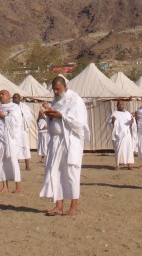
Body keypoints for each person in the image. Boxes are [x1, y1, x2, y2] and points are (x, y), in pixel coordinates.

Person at [41, 76, 89, 216]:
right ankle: (58, 205)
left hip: (70, 141)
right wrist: (50, 114)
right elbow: (55, 118)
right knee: (55, 172)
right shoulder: (56, 100)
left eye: (58, 89)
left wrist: (61, 116)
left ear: (65, 86)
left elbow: (79, 123)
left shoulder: (75, 100)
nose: (56, 92)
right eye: (54, 90)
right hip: (55, 142)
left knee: (71, 173)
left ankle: (74, 207)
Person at [0, 90, 23, 193]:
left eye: (3, 94)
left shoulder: (15, 108)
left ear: (8, 96)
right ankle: (5, 186)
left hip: (10, 139)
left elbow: (16, 123)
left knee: (13, 161)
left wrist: (2, 116)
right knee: (1, 162)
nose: (0, 96)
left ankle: (18, 187)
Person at [109, 99, 135, 170]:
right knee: (119, 149)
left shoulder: (127, 113)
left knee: (128, 149)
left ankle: (129, 165)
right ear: (117, 105)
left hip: (127, 134)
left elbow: (131, 122)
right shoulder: (114, 113)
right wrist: (113, 121)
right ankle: (117, 165)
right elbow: (110, 123)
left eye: (122, 104)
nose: (121, 106)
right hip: (119, 135)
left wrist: (132, 121)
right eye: (119, 104)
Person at [12, 93, 32, 171]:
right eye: (14, 98)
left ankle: (27, 165)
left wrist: (23, 115)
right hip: (14, 130)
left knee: (25, 146)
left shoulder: (25, 106)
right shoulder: (10, 106)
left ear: (20, 98)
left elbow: (29, 116)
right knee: (15, 147)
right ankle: (16, 165)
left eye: (16, 98)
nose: (15, 99)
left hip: (23, 130)